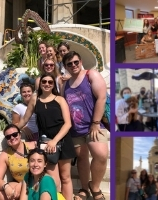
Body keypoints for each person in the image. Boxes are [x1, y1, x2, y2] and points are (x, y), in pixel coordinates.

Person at [16, 73, 75, 199]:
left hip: (62, 139)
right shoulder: (35, 99)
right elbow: (24, 119)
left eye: (50, 82)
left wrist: (54, 141)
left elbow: (68, 123)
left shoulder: (60, 99)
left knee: (66, 177)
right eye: (44, 82)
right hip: (45, 142)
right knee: (52, 177)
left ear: (53, 85)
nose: (47, 84)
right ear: (40, 84)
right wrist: (13, 130)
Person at [62, 51, 109, 200]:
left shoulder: (91, 74)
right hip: (75, 129)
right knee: (82, 159)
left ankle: (94, 186)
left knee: (101, 155)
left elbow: (101, 97)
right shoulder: (65, 85)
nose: (73, 65)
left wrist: (95, 123)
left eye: (76, 62)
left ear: (81, 61)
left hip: (93, 126)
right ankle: (84, 188)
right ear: (65, 66)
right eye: (69, 64)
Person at [0, 124, 37, 200]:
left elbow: (41, 168)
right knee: (0, 193)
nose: (12, 138)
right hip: (18, 185)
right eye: (8, 137)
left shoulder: (32, 146)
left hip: (35, 181)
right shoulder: (5, 155)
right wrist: (6, 186)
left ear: (20, 135)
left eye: (14, 134)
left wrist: (23, 183)